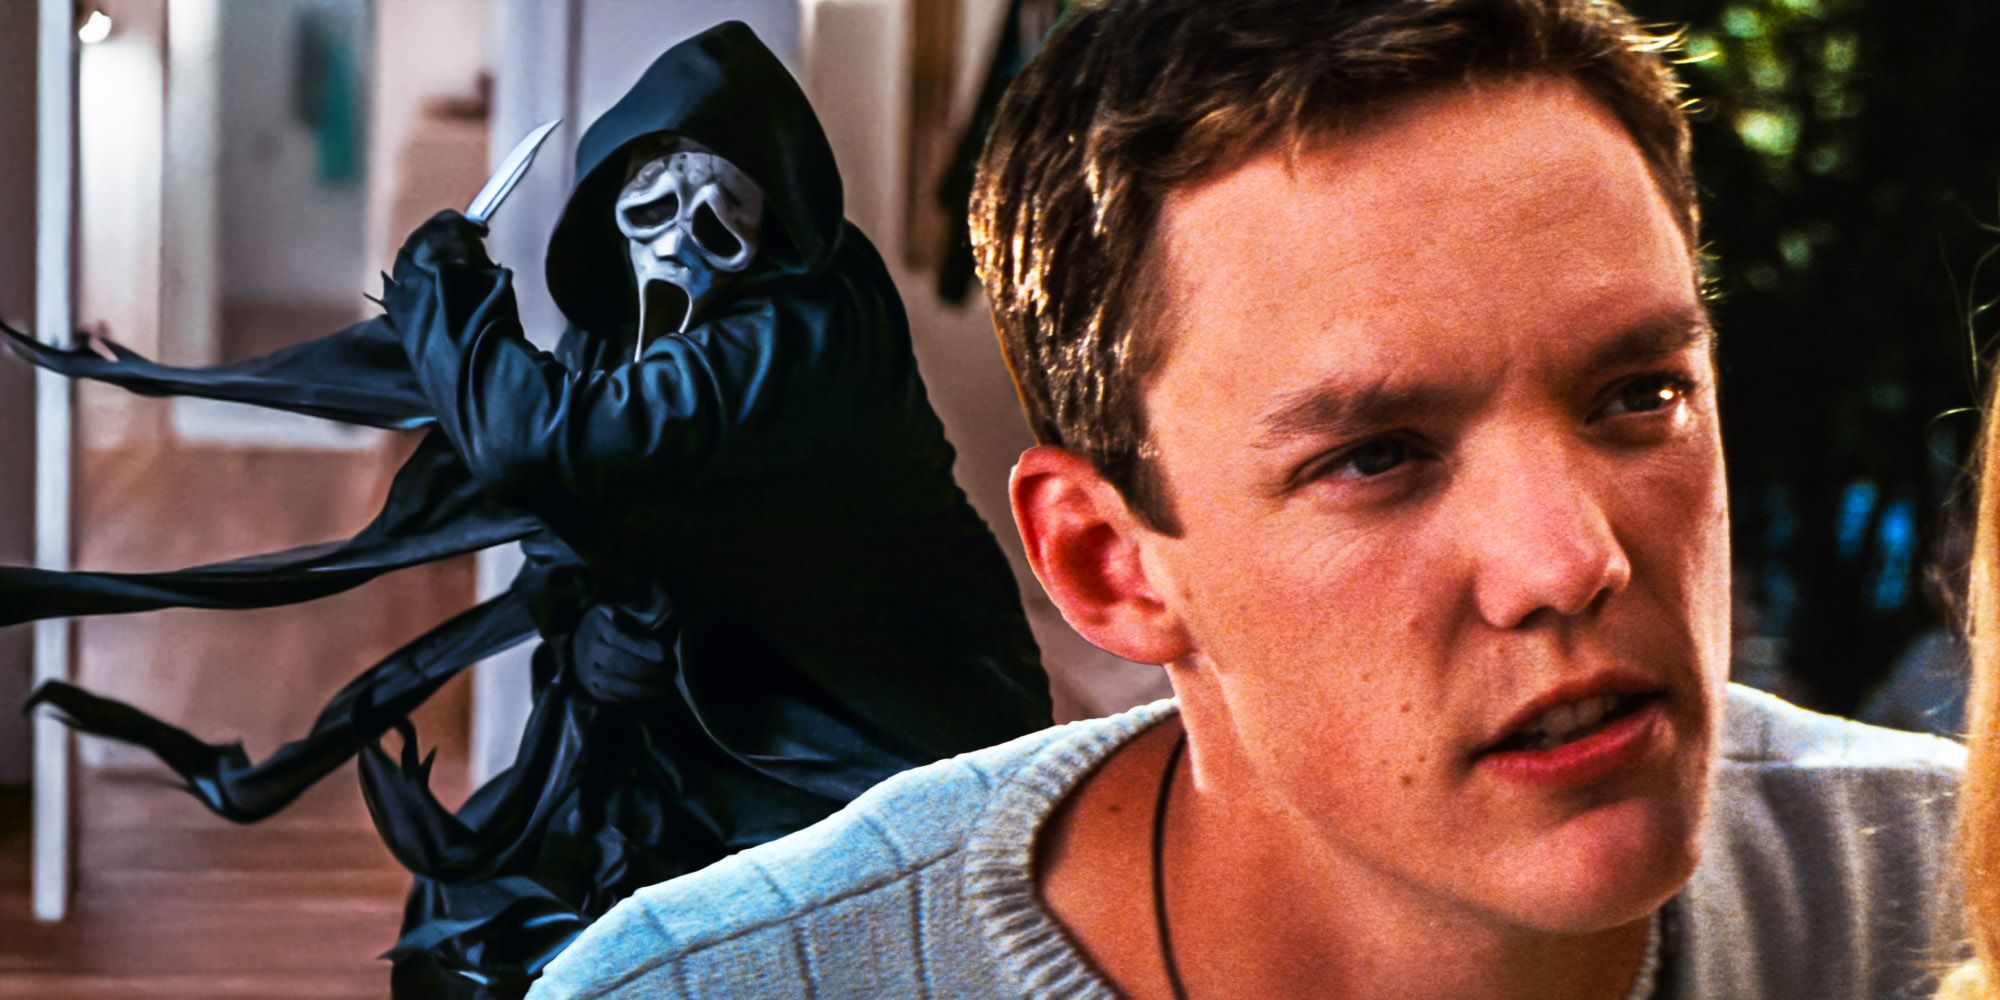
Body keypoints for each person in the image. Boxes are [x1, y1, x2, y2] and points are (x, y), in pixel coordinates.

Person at [527, 1, 1967, 997]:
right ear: (1109, 566)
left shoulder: (1964, 894)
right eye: (1378, 457)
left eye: (1637, 394)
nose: (1566, 560)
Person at [1, 23, 1051, 998]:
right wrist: (602, 635)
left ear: (770, 224)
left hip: (876, 742)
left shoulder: (799, 330)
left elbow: (544, 444)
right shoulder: (636, 329)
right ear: (612, 207)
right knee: (477, 930)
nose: (679, 251)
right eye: (653, 213)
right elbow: (596, 514)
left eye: (714, 226)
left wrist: (447, 294)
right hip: (723, 719)